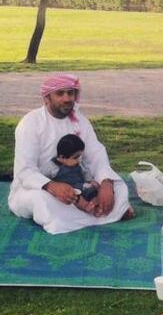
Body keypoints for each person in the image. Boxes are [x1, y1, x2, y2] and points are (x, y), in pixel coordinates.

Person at [8, 73, 133, 235]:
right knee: (42, 201)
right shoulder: (30, 123)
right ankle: (104, 214)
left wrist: (106, 184)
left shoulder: (80, 121)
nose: (67, 98)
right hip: (39, 187)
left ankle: (97, 211)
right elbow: (24, 170)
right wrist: (52, 186)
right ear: (47, 98)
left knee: (118, 186)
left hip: (76, 186)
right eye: (60, 94)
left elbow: (96, 156)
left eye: (70, 93)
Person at [51, 134, 100, 214]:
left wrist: (90, 181)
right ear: (62, 157)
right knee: (75, 196)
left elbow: (85, 172)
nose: (78, 160)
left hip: (80, 185)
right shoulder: (54, 167)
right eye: (75, 157)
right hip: (67, 189)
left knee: (92, 190)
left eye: (80, 156)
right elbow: (43, 176)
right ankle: (85, 206)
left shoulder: (79, 164)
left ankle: (94, 203)